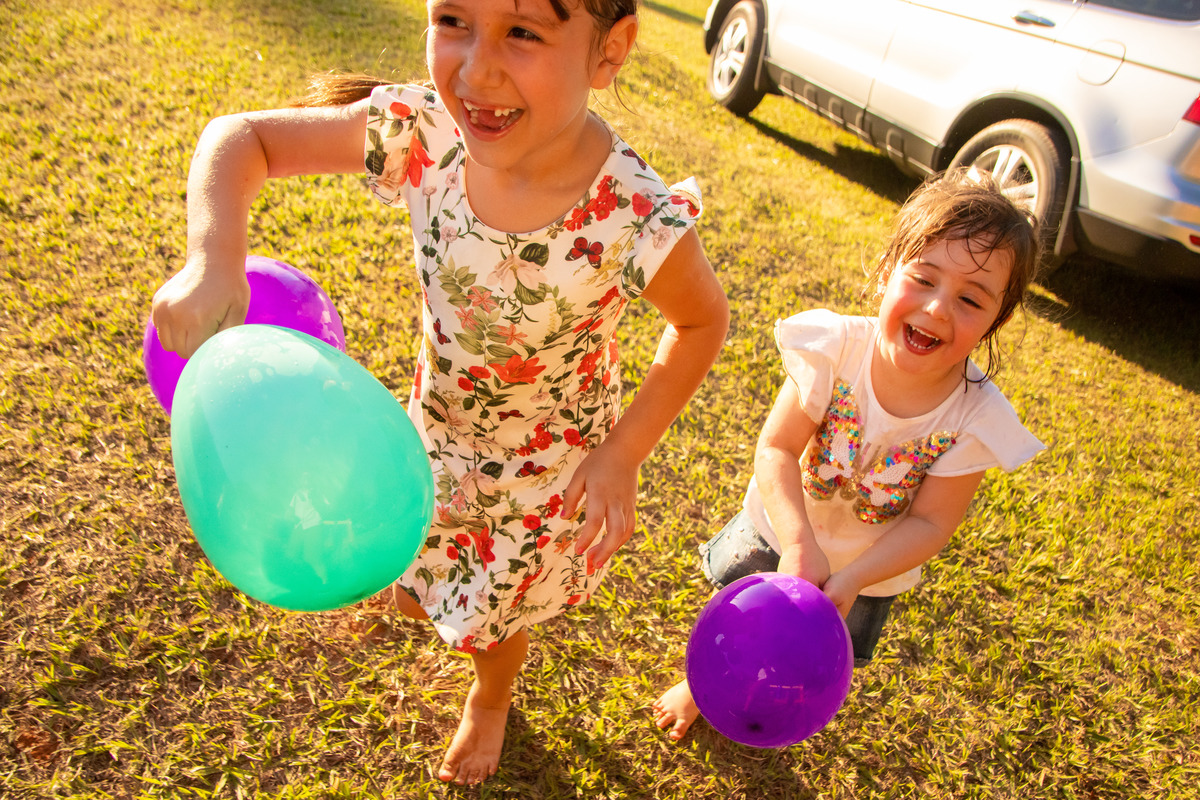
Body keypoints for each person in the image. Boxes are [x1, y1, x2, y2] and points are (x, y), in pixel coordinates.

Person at [150, 0, 730, 784]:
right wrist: (213, 256)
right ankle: (428, 585)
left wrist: (625, 451)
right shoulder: (424, 131)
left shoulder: (631, 215)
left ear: (610, 50)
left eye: (523, 31)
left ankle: (491, 698)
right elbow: (243, 138)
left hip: (542, 469)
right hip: (435, 424)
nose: (476, 67)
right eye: (453, 18)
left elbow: (702, 324)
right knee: (424, 547)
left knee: (492, 616)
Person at [652, 169, 1044, 742]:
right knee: (743, 624)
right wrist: (796, 543)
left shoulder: (975, 418)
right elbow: (778, 447)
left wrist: (854, 578)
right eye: (924, 278)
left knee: (802, 651)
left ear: (995, 320)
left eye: (969, 300)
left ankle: (776, 701)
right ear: (888, 270)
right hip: (782, 531)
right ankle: (704, 685)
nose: (937, 310)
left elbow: (935, 521)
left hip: (868, 569)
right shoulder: (836, 350)